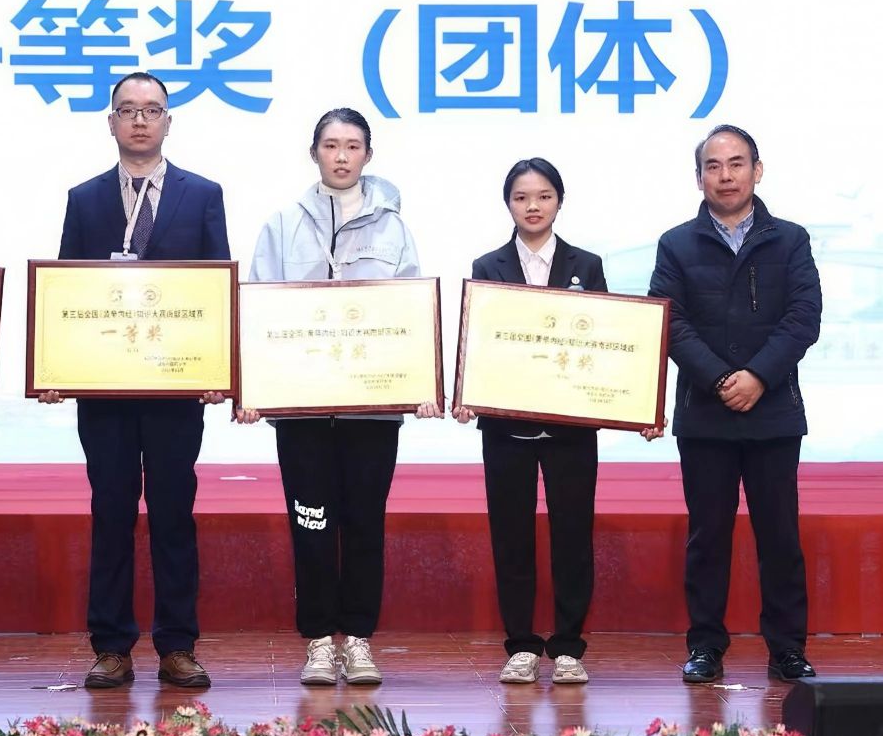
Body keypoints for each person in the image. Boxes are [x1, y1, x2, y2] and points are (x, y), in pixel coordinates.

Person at [237, 108, 441, 687]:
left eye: (353, 145)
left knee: (365, 524)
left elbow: (409, 315)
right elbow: (259, 309)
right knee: (311, 523)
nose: (342, 156)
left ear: (368, 155)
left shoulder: (394, 229)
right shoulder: (281, 224)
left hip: (371, 411)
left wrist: (419, 385)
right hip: (302, 410)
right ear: (315, 153)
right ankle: (319, 641)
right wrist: (253, 388)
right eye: (331, 145)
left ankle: (359, 638)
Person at [44, 71, 230, 691]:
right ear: (112, 122)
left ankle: (178, 645)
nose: (141, 120)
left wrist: (218, 369)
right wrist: (55, 367)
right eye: (128, 110)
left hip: (176, 388)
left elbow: (216, 290)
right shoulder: (85, 198)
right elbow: (66, 292)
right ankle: (111, 647)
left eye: (152, 110)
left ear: (168, 121)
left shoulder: (203, 195)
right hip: (106, 392)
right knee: (111, 512)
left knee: (175, 513)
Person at [646, 124, 822, 685]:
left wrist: (758, 377)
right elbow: (669, 320)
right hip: (706, 413)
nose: (725, 176)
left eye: (737, 163)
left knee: (780, 536)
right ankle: (705, 646)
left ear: (757, 170)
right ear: (698, 177)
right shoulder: (676, 243)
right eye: (714, 166)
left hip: (773, 413)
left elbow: (804, 318)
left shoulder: (790, 239)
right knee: (707, 538)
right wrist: (723, 379)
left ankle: (787, 648)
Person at [451, 158, 608, 686]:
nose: (533, 206)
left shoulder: (587, 264)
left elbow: (604, 342)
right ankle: (520, 644)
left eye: (543, 196)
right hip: (506, 429)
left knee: (572, 536)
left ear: (559, 201)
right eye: (521, 197)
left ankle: (568, 646)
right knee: (512, 536)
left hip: (571, 430)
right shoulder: (488, 264)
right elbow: (477, 340)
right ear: (508, 204)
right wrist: (468, 392)